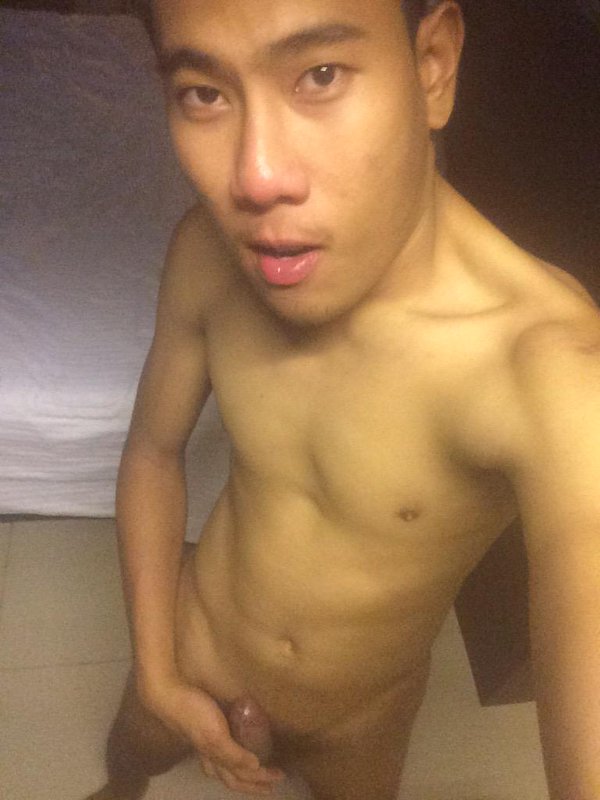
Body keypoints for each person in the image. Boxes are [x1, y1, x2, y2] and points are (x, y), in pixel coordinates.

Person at [87, 0, 600, 798]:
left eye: (320, 75)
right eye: (204, 94)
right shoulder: (204, 256)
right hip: (194, 647)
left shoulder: (546, 369)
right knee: (128, 754)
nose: (257, 178)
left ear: (433, 67)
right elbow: (152, 453)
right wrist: (156, 675)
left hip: (359, 721)